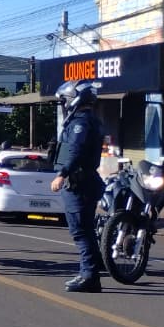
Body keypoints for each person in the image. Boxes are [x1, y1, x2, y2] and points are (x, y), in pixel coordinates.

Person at [50, 79, 106, 293]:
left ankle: (89, 276)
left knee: (80, 231)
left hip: (78, 183)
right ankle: (93, 268)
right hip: (88, 181)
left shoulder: (80, 123)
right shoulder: (92, 120)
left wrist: (61, 174)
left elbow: (76, 151)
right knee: (87, 229)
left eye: (65, 100)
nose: (63, 104)